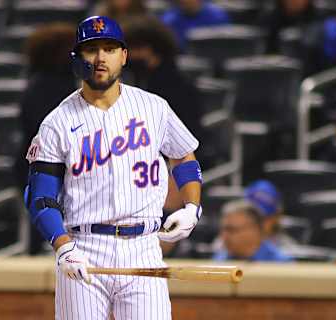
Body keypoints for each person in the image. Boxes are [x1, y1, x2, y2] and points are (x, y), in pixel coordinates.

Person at [24, 16, 203, 319]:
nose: (100, 57)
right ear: (77, 58)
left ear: (124, 56)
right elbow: (40, 197)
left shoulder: (154, 108)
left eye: (109, 48)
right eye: (91, 49)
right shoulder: (57, 122)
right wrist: (63, 246)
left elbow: (184, 156)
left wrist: (191, 207)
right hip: (84, 246)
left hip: (144, 246)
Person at [14, 22, 78, 254]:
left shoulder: (37, 83)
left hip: (40, 162)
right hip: (47, 163)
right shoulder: (50, 86)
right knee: (42, 216)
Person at [213, 199, 293, 262]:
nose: (224, 235)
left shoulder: (281, 264)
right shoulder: (218, 262)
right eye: (223, 229)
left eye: (231, 229)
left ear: (254, 230)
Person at [244, 180, 299, 249]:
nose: (258, 223)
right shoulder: (229, 246)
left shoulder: (288, 251)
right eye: (253, 217)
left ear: (276, 216)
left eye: (264, 218)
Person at [161, 0, 230, 51]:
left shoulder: (217, 15)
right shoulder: (169, 20)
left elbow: (225, 45)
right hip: (184, 61)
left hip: (214, 58)